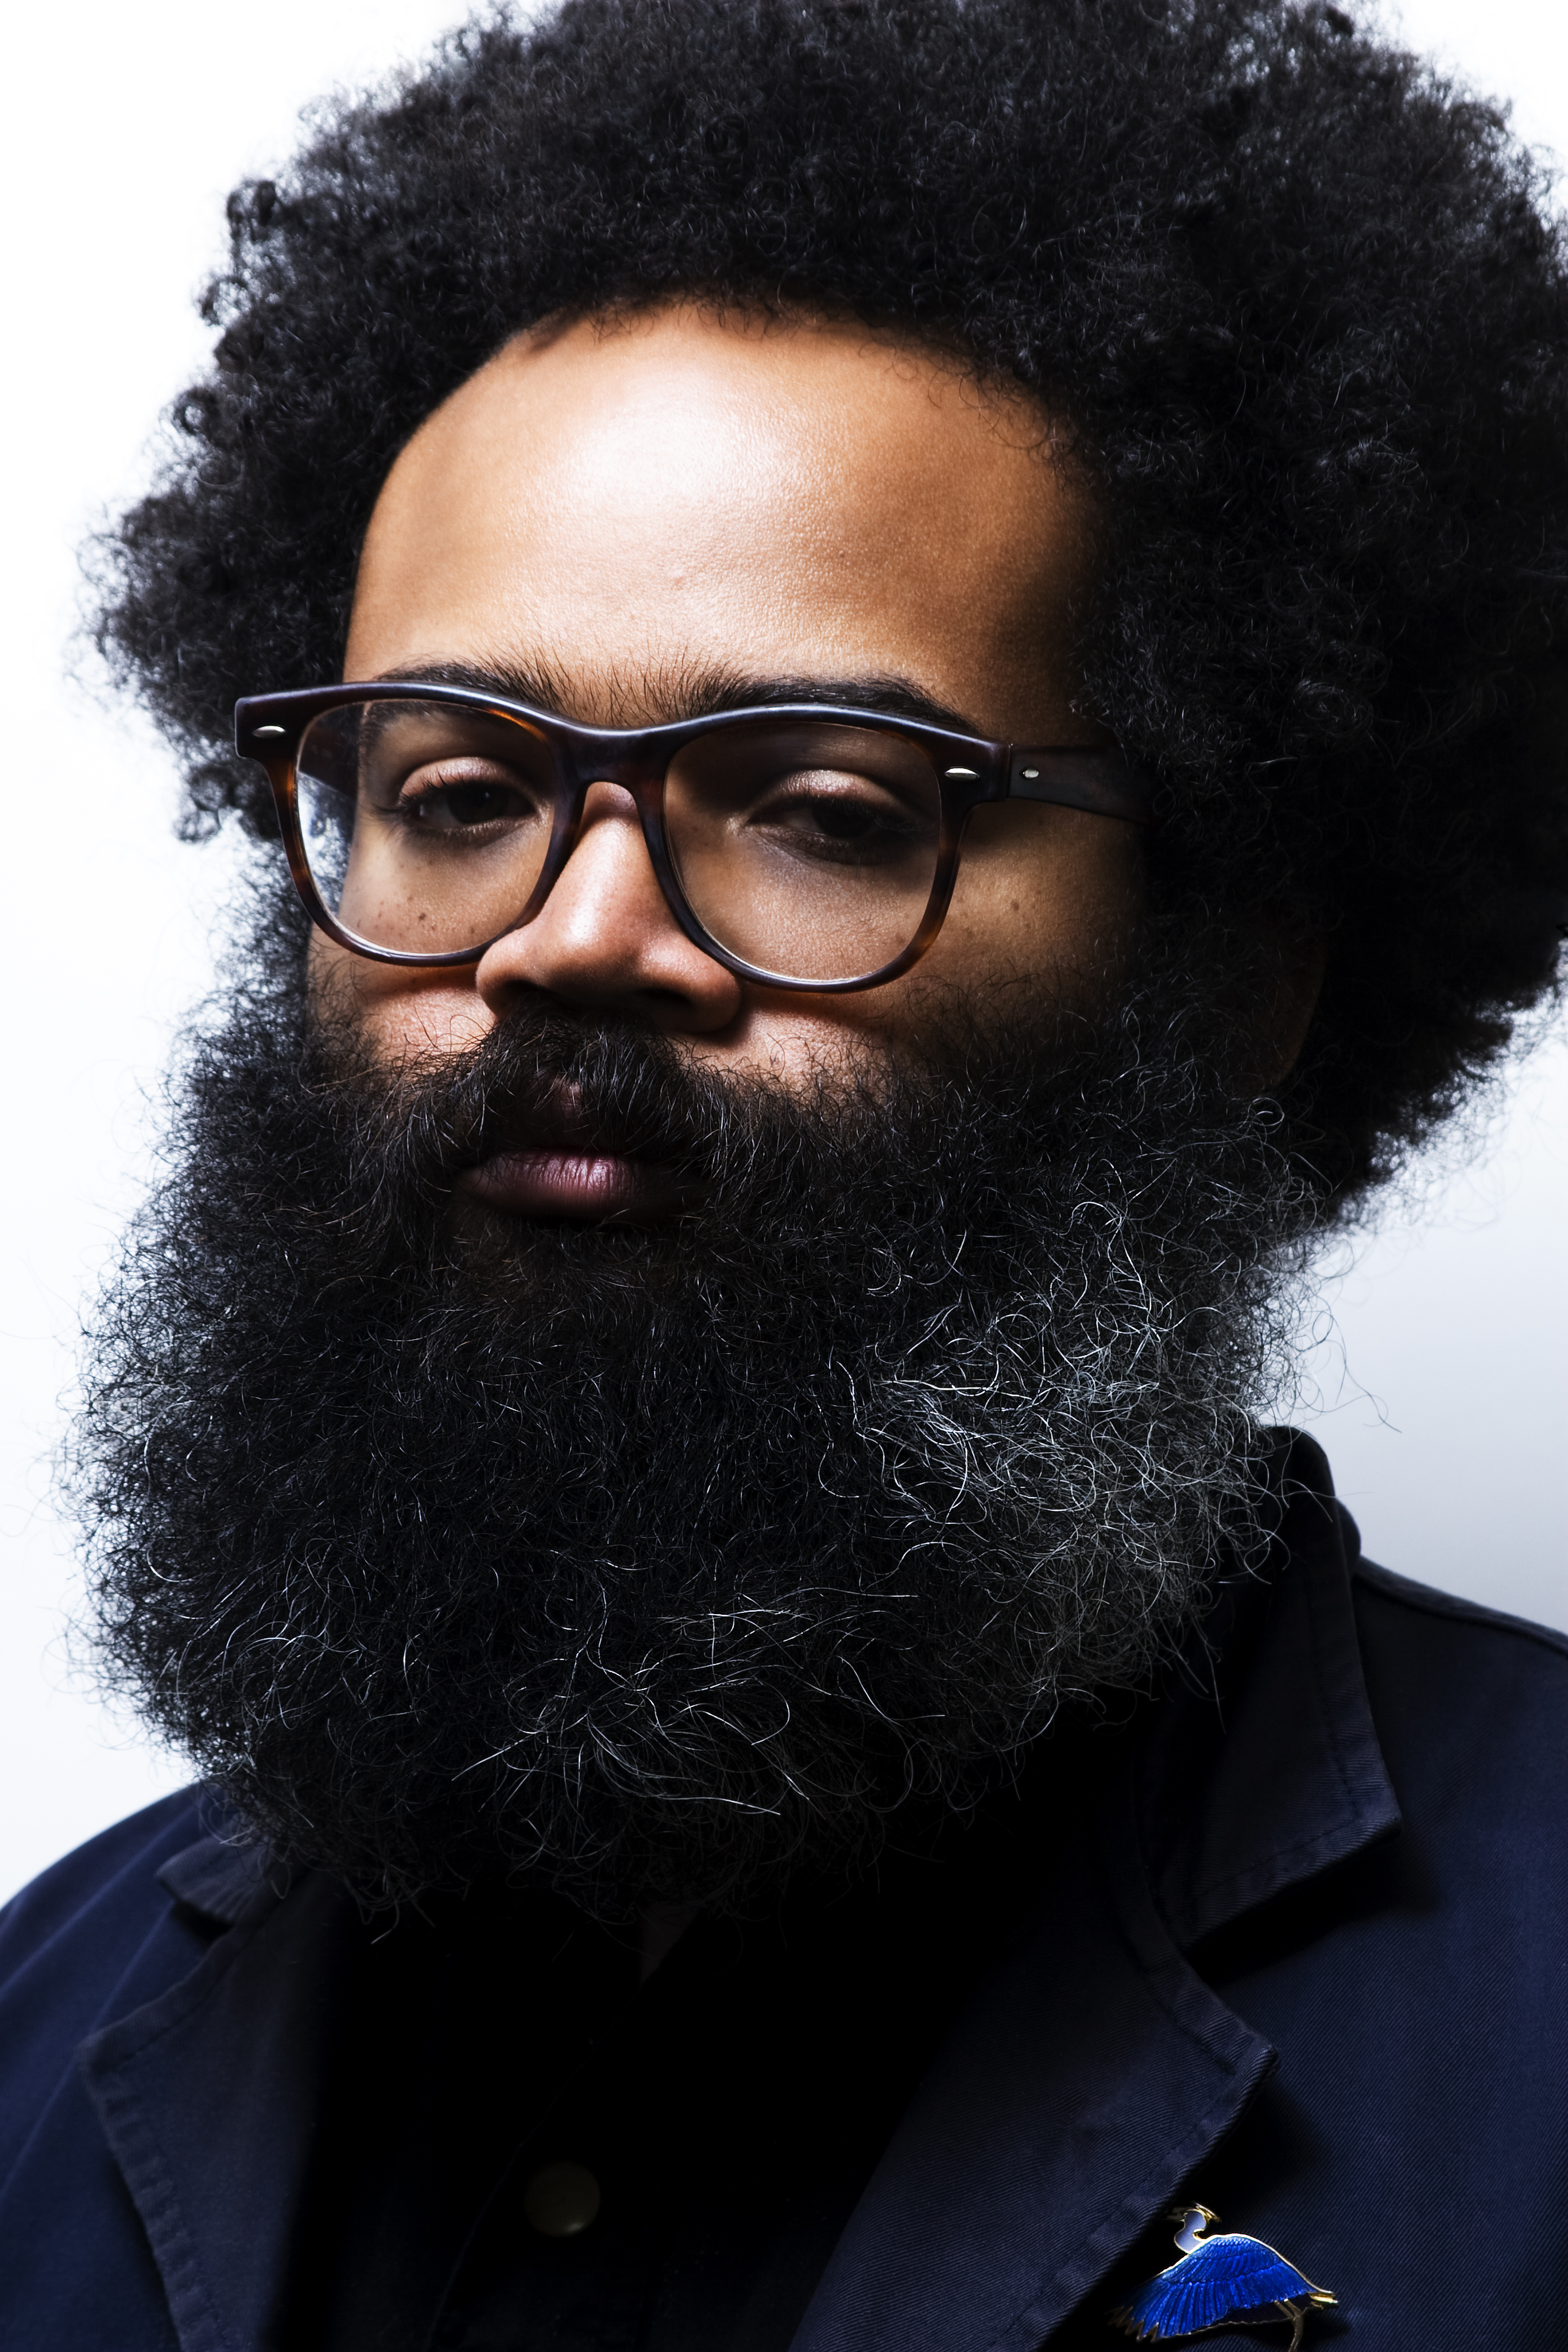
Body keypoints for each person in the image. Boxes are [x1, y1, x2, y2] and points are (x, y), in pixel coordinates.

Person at [1, 1, 1563, 2345]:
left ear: (1230, 975)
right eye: (455, 791)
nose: (568, 935)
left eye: (825, 810)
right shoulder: (38, 2024)